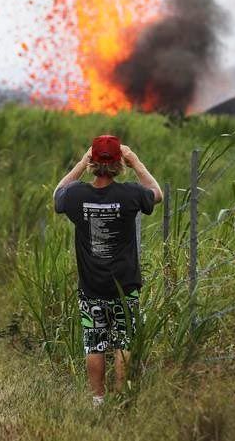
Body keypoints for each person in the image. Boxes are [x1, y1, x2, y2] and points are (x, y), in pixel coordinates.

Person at [53, 135, 163, 406]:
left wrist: (80, 163)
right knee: (124, 343)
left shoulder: (77, 195)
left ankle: (98, 400)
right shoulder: (131, 195)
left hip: (91, 288)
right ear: (119, 164)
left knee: (95, 342)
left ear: (92, 162)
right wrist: (136, 161)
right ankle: (121, 397)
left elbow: (58, 195)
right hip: (125, 287)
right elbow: (157, 194)